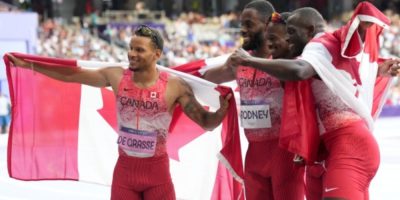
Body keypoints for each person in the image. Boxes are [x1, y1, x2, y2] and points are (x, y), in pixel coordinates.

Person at [7, 25, 231, 200]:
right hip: (124, 174)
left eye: (139, 50)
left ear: (157, 54)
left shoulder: (175, 86)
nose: (132, 54)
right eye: (131, 48)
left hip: (157, 176)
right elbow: (71, 74)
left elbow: (206, 122)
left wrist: (221, 111)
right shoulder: (116, 76)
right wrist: (31, 66)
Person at [227, 3, 400, 200]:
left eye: (291, 32)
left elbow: (300, 71)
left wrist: (249, 60)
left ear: (309, 30)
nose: (287, 37)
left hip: (348, 145)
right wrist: (377, 69)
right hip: (324, 153)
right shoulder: (314, 53)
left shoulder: (319, 44)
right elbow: (344, 71)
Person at [202, 1, 305, 199]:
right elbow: (204, 78)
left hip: (284, 154)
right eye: (242, 23)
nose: (242, 29)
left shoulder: (285, 62)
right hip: (253, 155)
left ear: (268, 25)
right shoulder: (239, 62)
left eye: (249, 24)